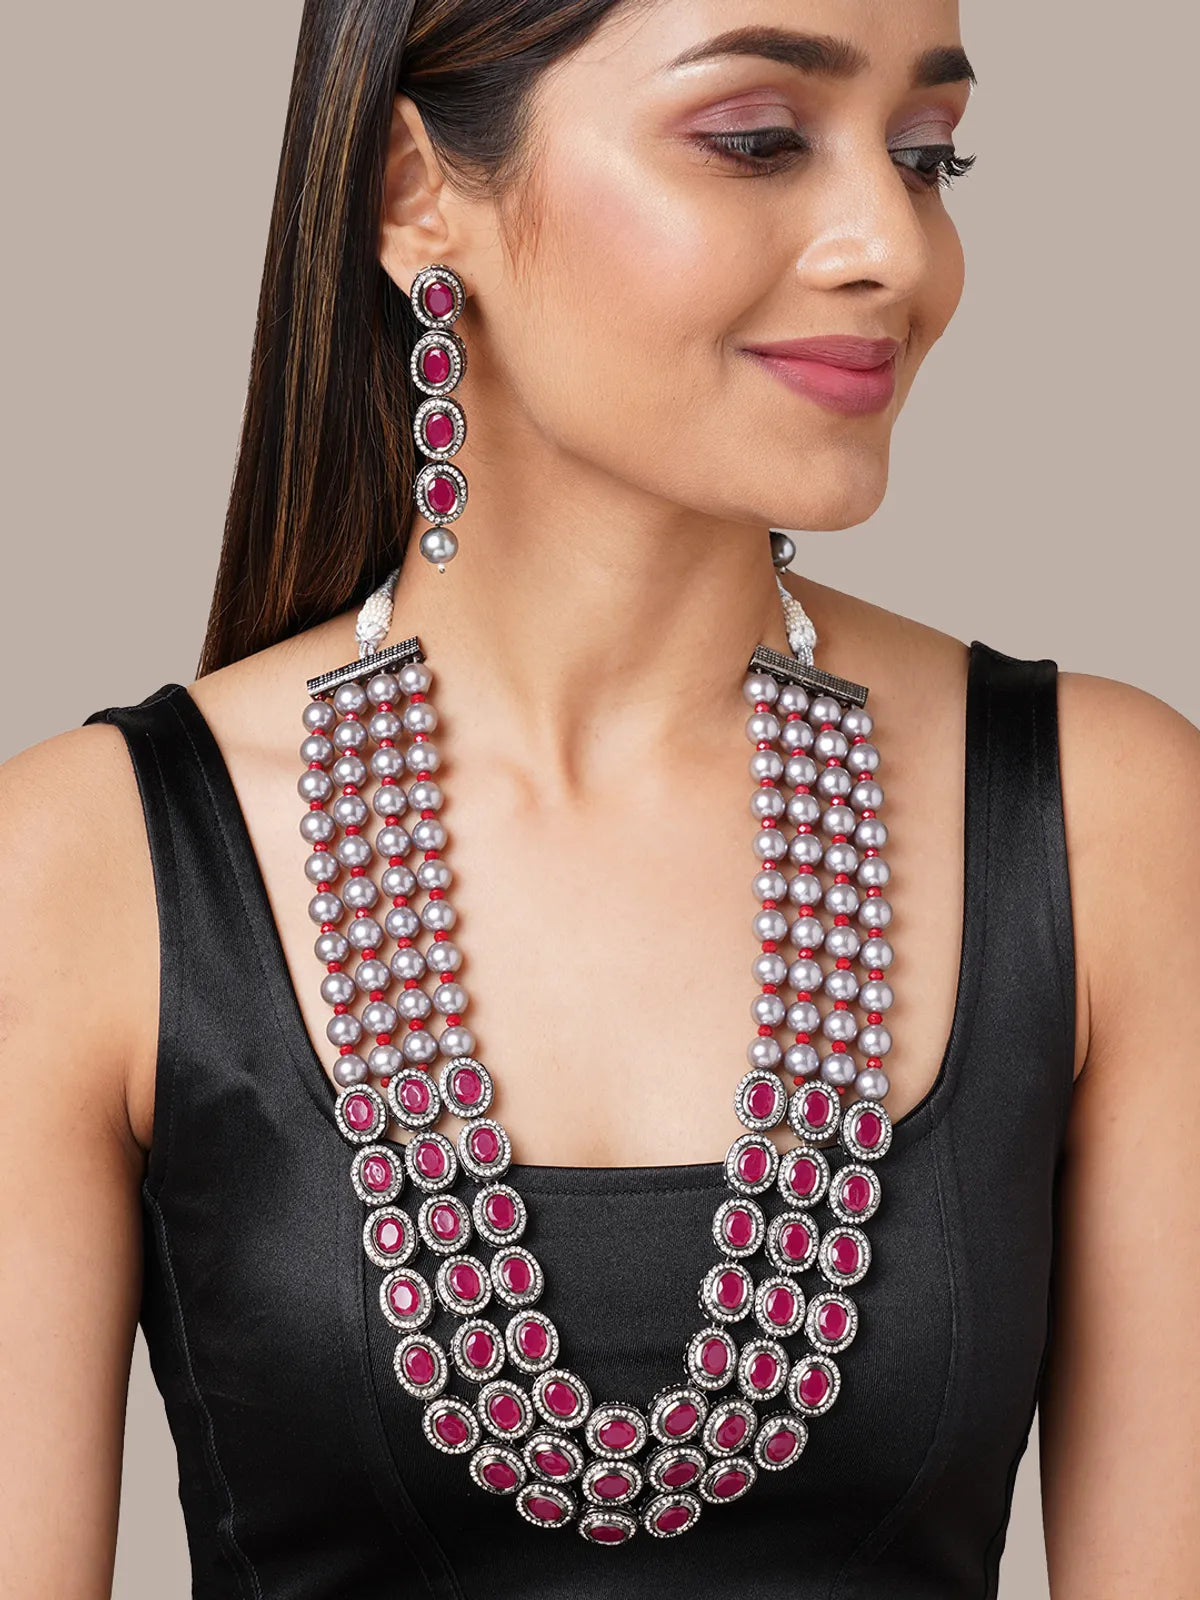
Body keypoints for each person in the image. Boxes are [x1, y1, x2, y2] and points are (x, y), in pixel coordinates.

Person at [2, 0, 1197, 1593]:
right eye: (758, 141)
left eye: (928, 157)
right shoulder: (82, 869)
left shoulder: (1107, 823)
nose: (893, 251)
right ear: (416, 195)